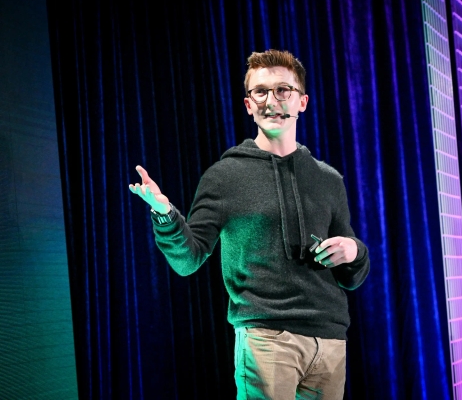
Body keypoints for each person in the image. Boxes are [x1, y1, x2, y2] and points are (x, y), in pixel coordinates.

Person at [128, 49, 370, 400]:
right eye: (261, 91)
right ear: (248, 104)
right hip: (267, 340)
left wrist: (353, 250)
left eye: (283, 90)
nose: (272, 101)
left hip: (330, 340)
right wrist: (165, 213)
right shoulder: (226, 176)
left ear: (302, 102)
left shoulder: (328, 179)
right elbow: (188, 258)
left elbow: (351, 275)